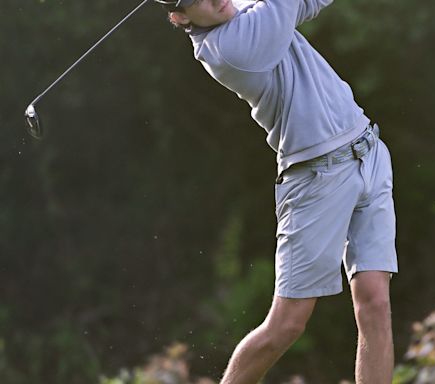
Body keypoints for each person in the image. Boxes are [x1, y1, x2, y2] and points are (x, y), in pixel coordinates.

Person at [164, 0, 398, 383]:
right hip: (317, 181)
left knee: (375, 303)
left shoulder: (245, 12)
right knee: (286, 326)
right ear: (181, 17)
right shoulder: (229, 49)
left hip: (368, 151)